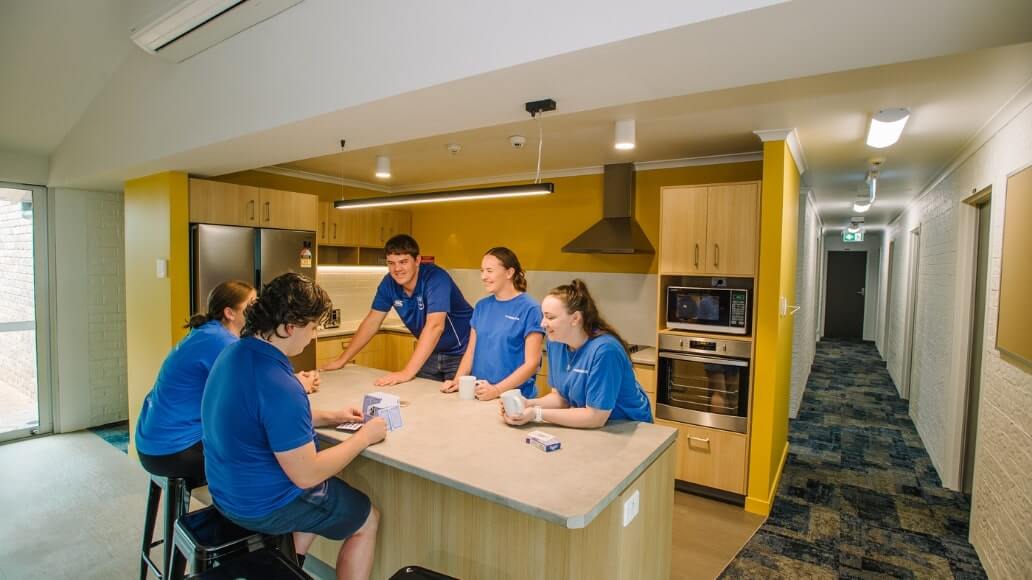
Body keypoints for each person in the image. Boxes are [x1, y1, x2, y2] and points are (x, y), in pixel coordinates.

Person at [201, 273, 385, 579]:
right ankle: (286, 565)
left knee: (315, 506)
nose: (312, 336)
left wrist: (331, 416)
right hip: (262, 505)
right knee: (367, 518)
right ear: (290, 328)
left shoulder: (233, 353)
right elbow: (306, 474)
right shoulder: (280, 384)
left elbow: (259, 419)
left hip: (224, 492)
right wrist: (365, 436)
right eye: (312, 327)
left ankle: (286, 568)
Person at [135, 280, 256, 486]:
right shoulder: (222, 342)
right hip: (174, 450)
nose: (258, 310)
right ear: (230, 313)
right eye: (252, 305)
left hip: (151, 440)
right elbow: (253, 393)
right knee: (258, 456)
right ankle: (238, 516)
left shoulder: (207, 333)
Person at [322, 234, 473, 386]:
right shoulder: (389, 283)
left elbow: (435, 326)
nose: (397, 269)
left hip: (461, 352)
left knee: (458, 403)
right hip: (431, 352)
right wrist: (341, 361)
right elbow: (372, 322)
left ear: (418, 260)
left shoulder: (436, 278)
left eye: (403, 262)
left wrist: (406, 372)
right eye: (391, 263)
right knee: (421, 398)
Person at [502, 279, 652, 428]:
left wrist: (537, 414)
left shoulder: (605, 351)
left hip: (629, 427)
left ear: (575, 318)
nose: (542, 323)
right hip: (594, 426)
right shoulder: (555, 343)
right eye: (543, 316)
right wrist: (527, 403)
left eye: (550, 317)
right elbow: (560, 398)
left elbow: (595, 417)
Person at [441, 247, 543, 400]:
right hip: (481, 395)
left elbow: (532, 363)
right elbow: (471, 352)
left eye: (489, 271)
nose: (483, 276)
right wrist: (458, 381)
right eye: (482, 271)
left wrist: (497, 390)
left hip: (515, 400)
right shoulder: (481, 306)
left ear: (509, 273)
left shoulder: (530, 309)